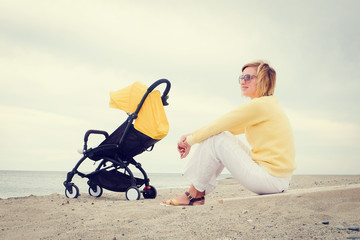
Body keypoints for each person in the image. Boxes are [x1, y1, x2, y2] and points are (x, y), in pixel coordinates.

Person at [162, 60, 296, 206]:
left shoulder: (259, 106)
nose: (242, 82)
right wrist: (191, 135)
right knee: (219, 136)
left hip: (270, 179)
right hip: (278, 179)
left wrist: (189, 141)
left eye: (248, 77)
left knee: (217, 139)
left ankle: (193, 195)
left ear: (263, 79)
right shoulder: (268, 105)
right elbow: (226, 128)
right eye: (241, 78)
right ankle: (197, 194)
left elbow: (219, 125)